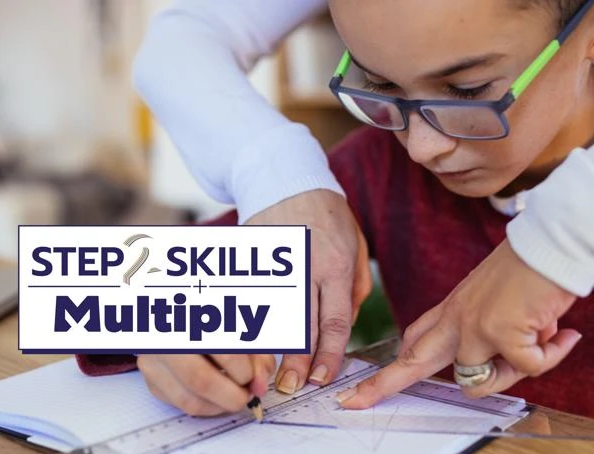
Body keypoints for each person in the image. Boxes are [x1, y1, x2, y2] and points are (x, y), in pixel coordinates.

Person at [79, 0, 594, 418]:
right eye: (380, 86)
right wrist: (161, 324)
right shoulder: (380, 166)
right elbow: (103, 283)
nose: (421, 147)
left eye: (467, 91)